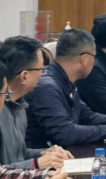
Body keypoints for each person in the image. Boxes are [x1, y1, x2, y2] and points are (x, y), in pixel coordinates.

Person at [25, 29, 106, 148]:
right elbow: (65, 134)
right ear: (84, 59)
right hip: (46, 156)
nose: (95, 62)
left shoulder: (66, 80)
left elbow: (86, 115)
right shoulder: (48, 87)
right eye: (94, 57)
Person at [0, 37, 72, 169]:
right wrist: (36, 163)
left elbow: (19, 155)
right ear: (24, 76)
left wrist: (44, 153)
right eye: (41, 69)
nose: (43, 75)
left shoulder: (20, 106)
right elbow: (3, 171)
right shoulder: (1, 109)